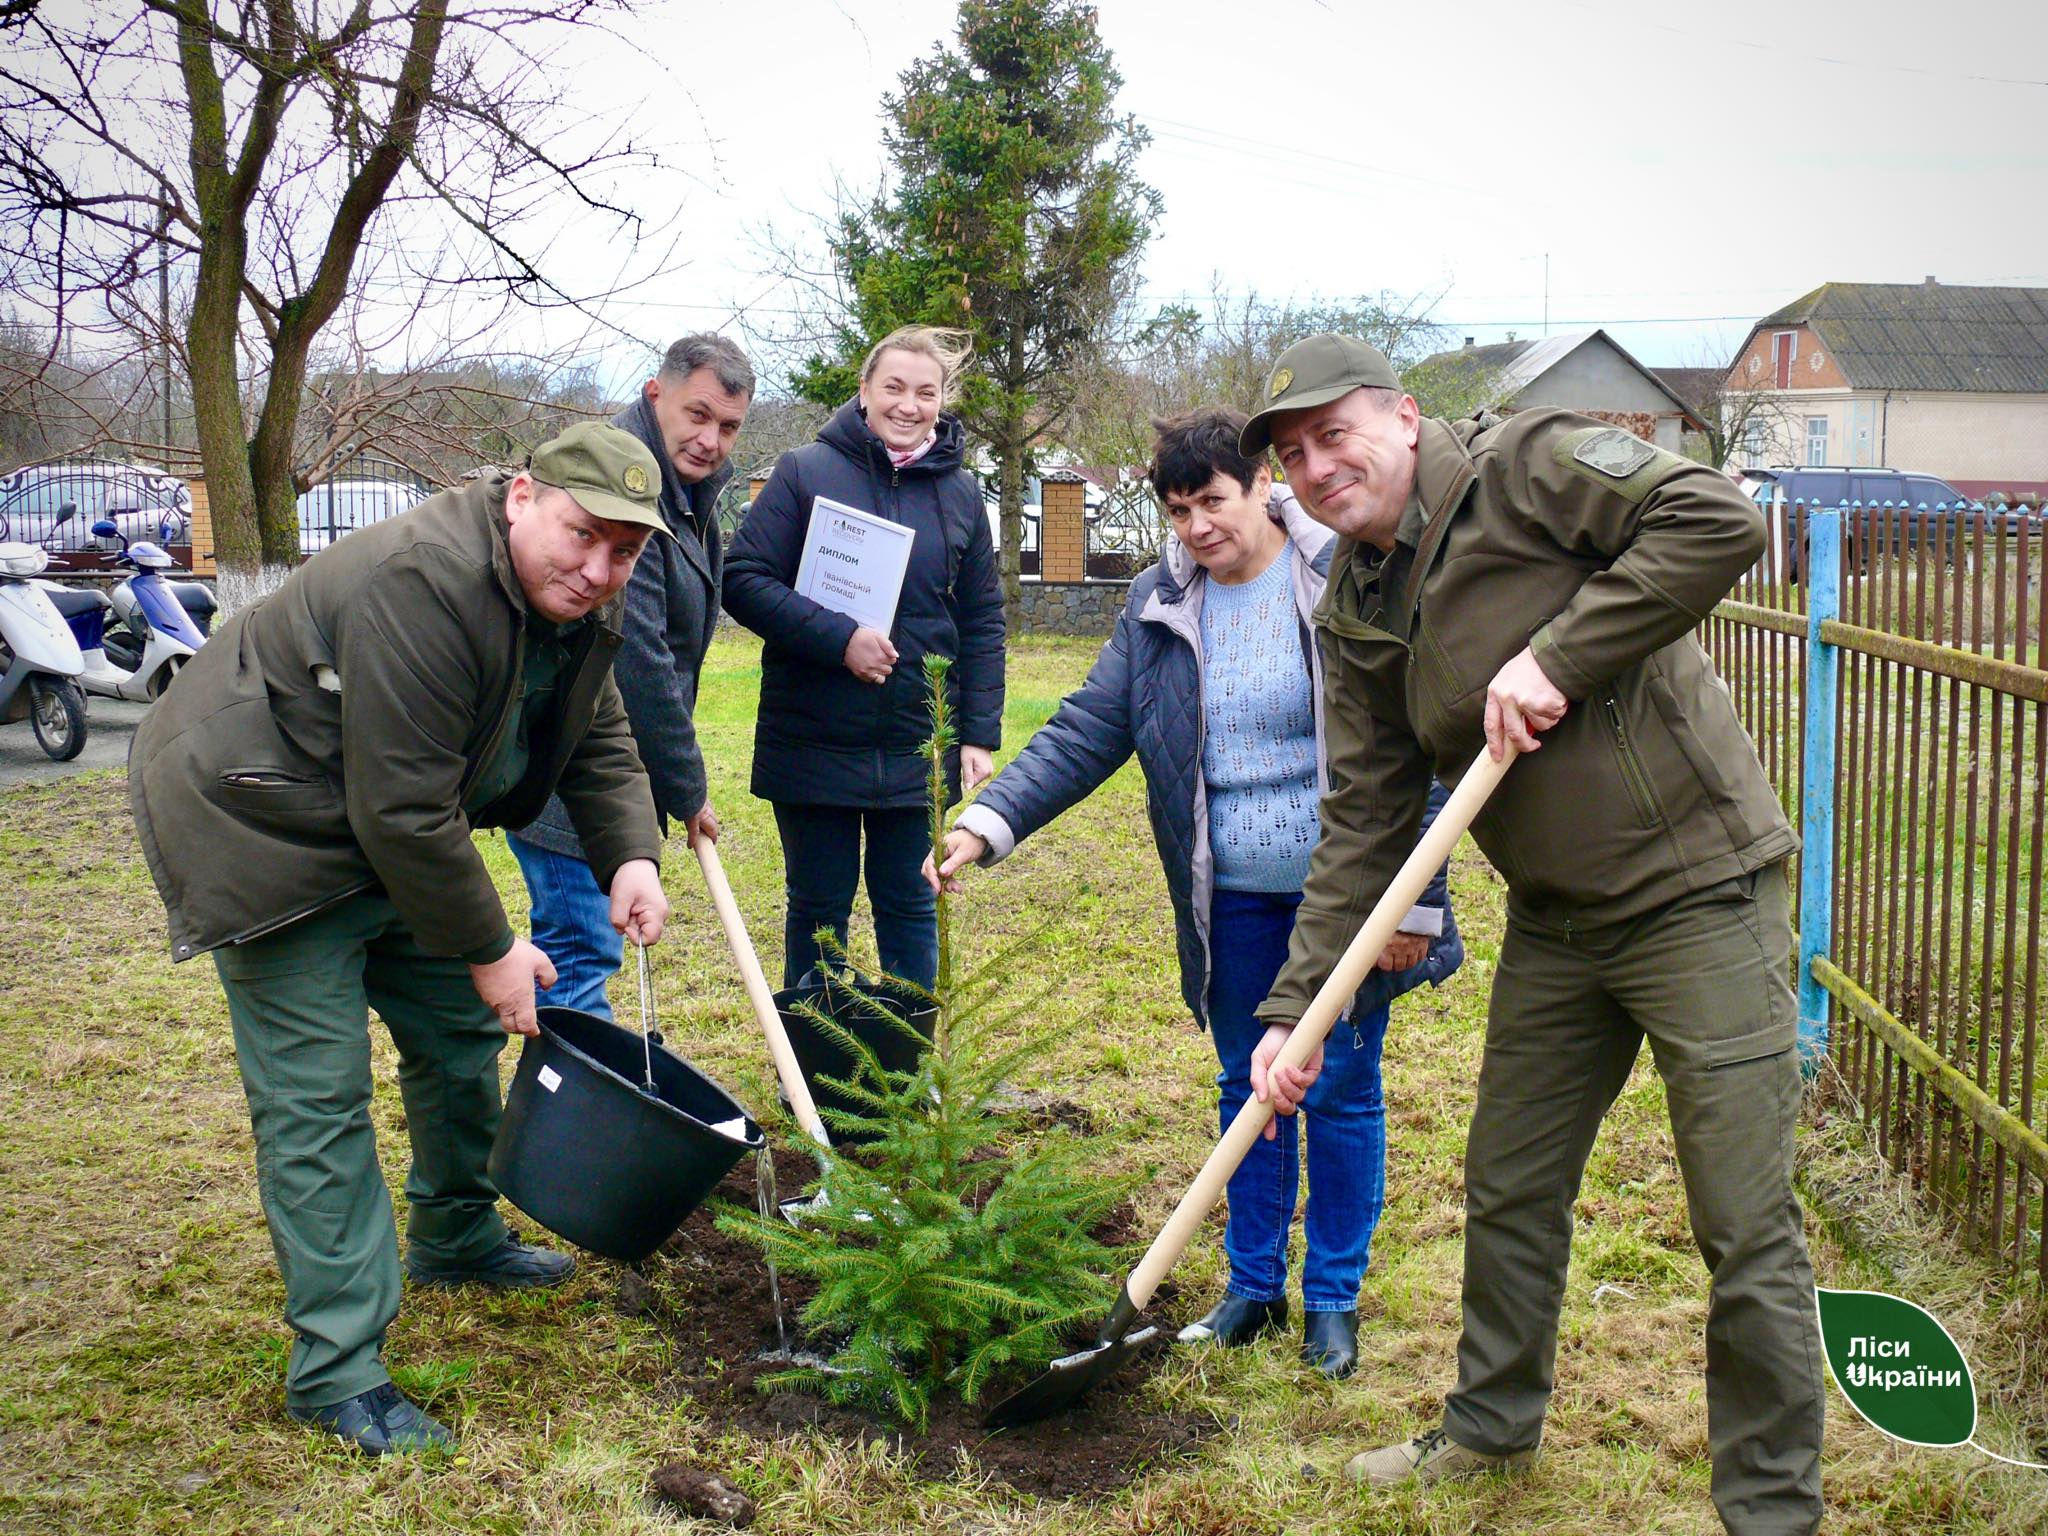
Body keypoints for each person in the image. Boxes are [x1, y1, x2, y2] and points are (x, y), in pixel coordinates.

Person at [1241, 334, 1822, 1534]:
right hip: (1557, 924)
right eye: (1291, 455)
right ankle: (1488, 1427)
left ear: (1403, 417)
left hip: (1698, 893)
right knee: (1510, 1184)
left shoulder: (1530, 466)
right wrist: (1296, 1007)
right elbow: (1363, 817)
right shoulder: (1353, 599)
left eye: (1331, 434)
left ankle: (1768, 1506)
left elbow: (1715, 521)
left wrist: (1557, 653)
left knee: (1738, 1217)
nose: (1315, 466)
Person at [128, 423, 673, 1456]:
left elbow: (594, 730)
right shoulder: (424, 581)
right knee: (318, 1096)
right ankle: (337, 1371)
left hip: (378, 818)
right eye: (581, 535)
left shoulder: (573, 595)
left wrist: (628, 856)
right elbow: (406, 812)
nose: (600, 569)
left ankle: (457, 1236)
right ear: (522, 496)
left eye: (624, 551)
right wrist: (494, 945)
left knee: (460, 1031)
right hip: (259, 816)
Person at [926, 407, 1461, 1377]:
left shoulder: (1337, 575)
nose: (1195, 528)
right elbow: (1087, 728)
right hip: (1231, 903)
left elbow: (1410, 738)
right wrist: (986, 821)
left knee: (1337, 1085)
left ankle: (1331, 1302)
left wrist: (1413, 905)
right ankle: (1250, 1288)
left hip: (1342, 898)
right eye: (1175, 511)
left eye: (1211, 500)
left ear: (1260, 485)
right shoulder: (1157, 606)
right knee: (1243, 1087)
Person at [723, 325, 1005, 992]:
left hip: (917, 746)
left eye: (926, 392)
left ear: (943, 400)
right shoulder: (803, 473)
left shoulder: (962, 494)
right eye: (895, 388)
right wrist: (838, 638)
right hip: (814, 740)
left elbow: (983, 619)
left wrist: (979, 733)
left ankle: (909, 1079)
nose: (909, 405)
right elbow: (744, 579)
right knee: (819, 913)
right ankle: (817, 1079)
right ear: (864, 392)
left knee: (912, 906)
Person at [508, 334, 753, 1019]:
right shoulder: (625, 489)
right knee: (579, 951)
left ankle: (581, 1097)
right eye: (696, 414)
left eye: (728, 426)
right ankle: (574, 1109)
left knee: (583, 950)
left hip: (603, 766)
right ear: (656, 393)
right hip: (566, 772)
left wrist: (678, 787)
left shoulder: (691, 493)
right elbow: (640, 662)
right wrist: (687, 786)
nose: (710, 439)